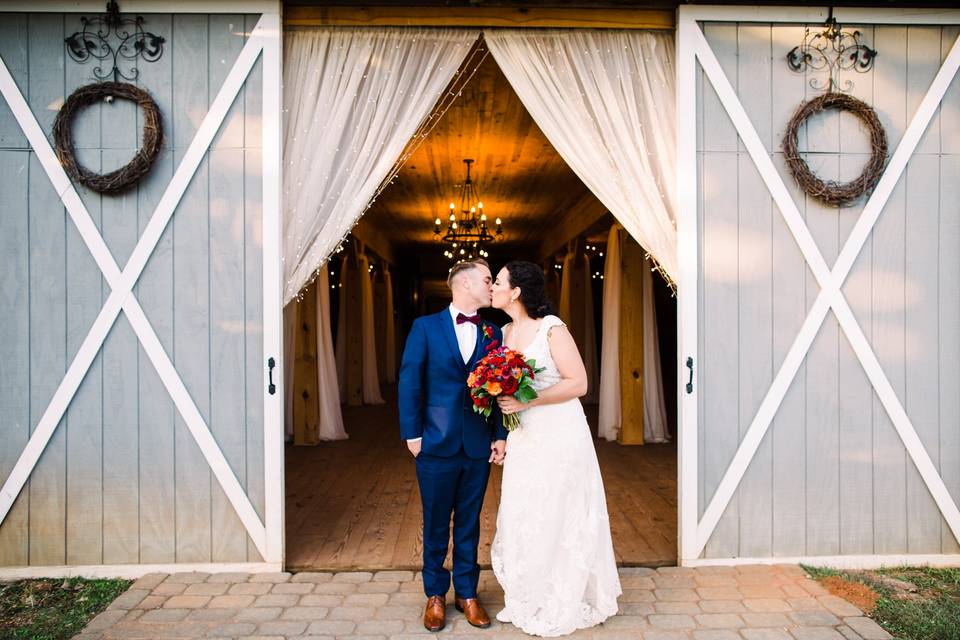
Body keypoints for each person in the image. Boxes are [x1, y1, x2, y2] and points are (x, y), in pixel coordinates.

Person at [490, 260, 621, 637]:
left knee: (560, 508)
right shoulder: (504, 331)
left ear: (515, 292)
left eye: (498, 282)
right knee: (525, 507)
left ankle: (562, 595)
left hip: (559, 431)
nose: (493, 287)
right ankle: (529, 594)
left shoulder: (552, 329)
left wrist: (528, 402)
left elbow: (579, 383)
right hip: (525, 436)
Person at [398, 258, 508, 633]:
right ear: (464, 285)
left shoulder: (494, 333)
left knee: (470, 523)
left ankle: (467, 593)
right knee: (434, 524)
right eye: (487, 280)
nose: (492, 287)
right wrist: (413, 435)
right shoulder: (425, 328)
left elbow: (500, 389)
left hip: (477, 445)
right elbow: (411, 382)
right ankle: (434, 594)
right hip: (433, 443)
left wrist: (500, 434)